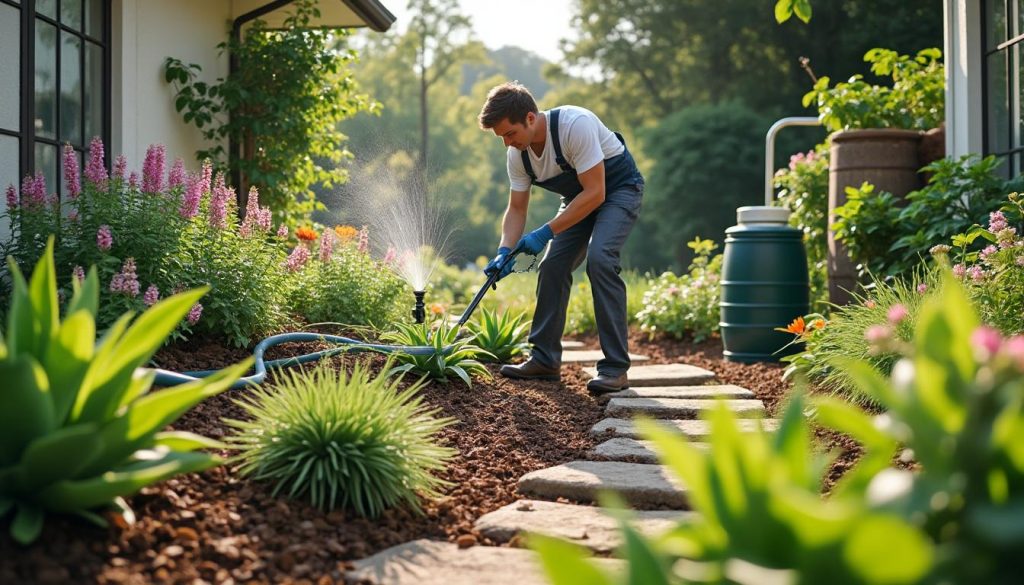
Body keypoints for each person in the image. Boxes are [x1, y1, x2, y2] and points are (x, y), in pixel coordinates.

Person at [477, 81, 644, 394]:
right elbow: (516, 209)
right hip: (579, 200)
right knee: (553, 265)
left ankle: (614, 370)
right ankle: (544, 359)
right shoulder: (518, 155)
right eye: (501, 138)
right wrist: (504, 251)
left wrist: (545, 232)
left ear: (530, 117)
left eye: (509, 134)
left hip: (618, 190)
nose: (507, 143)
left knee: (600, 259)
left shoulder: (573, 126)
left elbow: (597, 192)